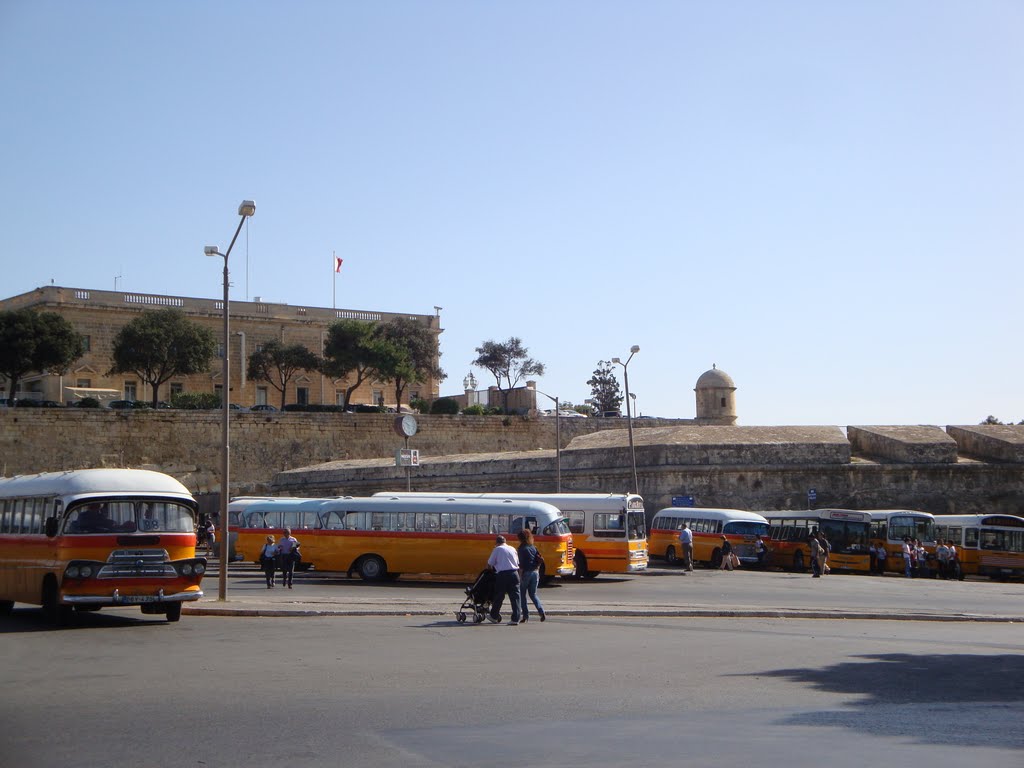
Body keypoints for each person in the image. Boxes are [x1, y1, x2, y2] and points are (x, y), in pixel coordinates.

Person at [486, 535, 521, 625]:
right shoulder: (512, 548)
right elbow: (517, 562)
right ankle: (515, 618)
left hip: (503, 575)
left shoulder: (497, 549)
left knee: (499, 596)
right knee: (515, 597)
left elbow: (490, 563)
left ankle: (494, 616)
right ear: (505, 541)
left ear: (497, 543)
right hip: (515, 574)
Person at [516, 529, 546, 622]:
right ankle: (541, 611)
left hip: (526, 572)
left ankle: (525, 616)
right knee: (533, 594)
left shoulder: (521, 549)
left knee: (522, 595)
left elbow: (521, 564)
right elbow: (539, 559)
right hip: (535, 572)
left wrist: (519, 576)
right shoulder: (533, 547)